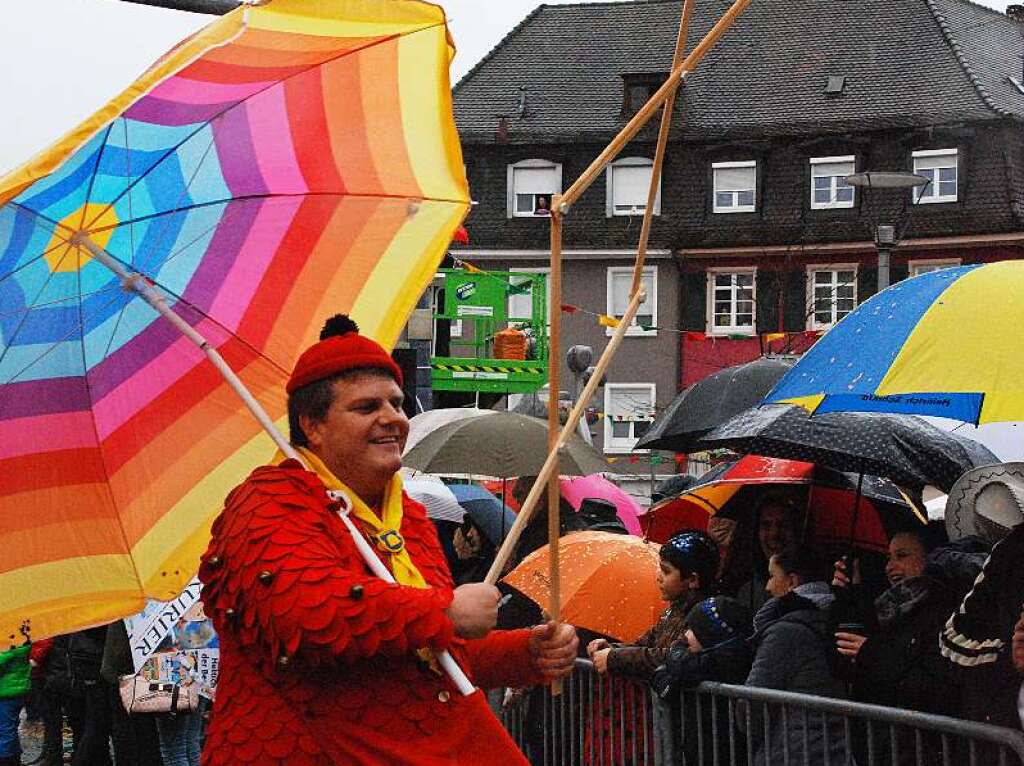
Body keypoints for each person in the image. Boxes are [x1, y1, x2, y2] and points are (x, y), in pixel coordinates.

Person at [198, 315, 578, 765]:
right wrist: (445, 610)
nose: (392, 418)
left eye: (397, 404)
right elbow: (306, 615)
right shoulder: (268, 504)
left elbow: (428, 654)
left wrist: (524, 653)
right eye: (366, 407)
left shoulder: (410, 517)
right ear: (312, 426)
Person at [743, 546, 849, 766]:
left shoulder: (785, 632)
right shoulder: (835, 615)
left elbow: (752, 706)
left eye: (772, 576)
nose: (768, 586)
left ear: (792, 581)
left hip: (793, 751)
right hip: (831, 750)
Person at [586, 530, 720, 681]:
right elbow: (647, 643)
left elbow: (674, 656)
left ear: (692, 579)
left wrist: (615, 658)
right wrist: (612, 649)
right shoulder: (674, 609)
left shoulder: (708, 616)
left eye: (666, 571)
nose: (658, 577)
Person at [650, 597, 754, 766]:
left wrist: (675, 651)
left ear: (711, 636)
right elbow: (663, 677)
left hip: (724, 750)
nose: (686, 635)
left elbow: (681, 668)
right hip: (702, 747)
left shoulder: (727, 659)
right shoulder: (708, 658)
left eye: (694, 631)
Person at [725, 492, 803, 613]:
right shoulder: (747, 592)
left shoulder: (813, 588)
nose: (774, 534)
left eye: (782, 525)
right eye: (766, 525)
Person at [0, 640, 30, 766]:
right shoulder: (23, 637)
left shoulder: (11, 641)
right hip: (16, 689)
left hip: (7, 691)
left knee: (5, 729)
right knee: (10, 727)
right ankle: (14, 759)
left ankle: (6, 760)